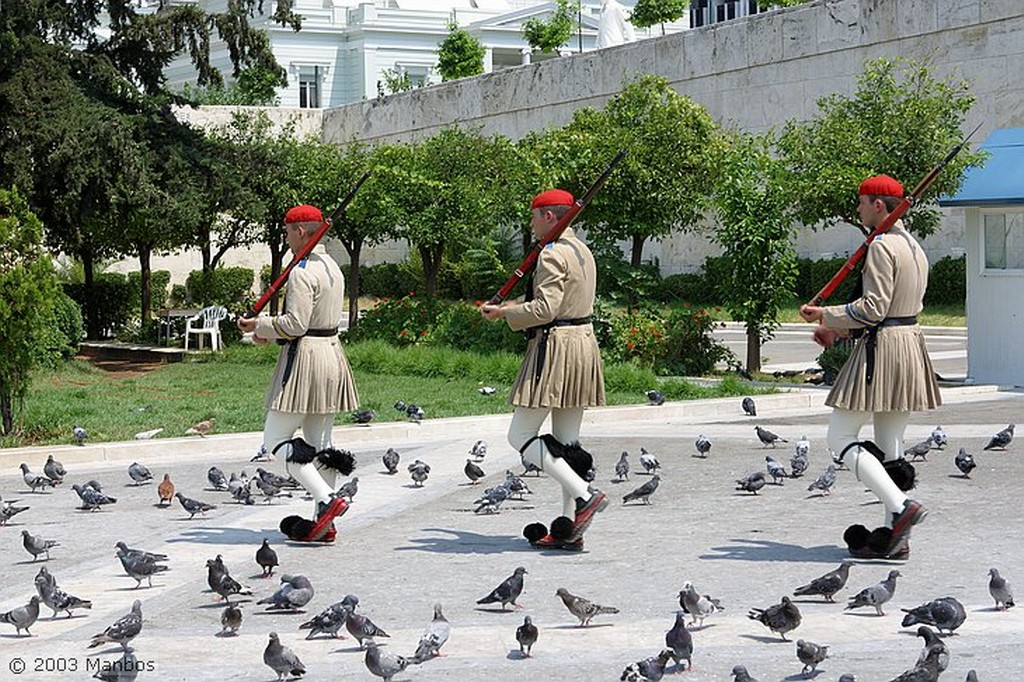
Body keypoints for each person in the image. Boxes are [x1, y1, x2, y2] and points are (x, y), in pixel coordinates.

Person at [799, 175, 941, 559]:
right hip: (909, 345)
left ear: (879, 206)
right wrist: (835, 329)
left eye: (861, 202)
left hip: (882, 351)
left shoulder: (880, 245)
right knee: (890, 450)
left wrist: (824, 315)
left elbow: (873, 310)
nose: (858, 209)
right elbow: (894, 310)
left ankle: (900, 508)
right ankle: (896, 542)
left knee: (840, 437)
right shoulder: (914, 246)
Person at [481, 189, 608, 551]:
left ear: (550, 217)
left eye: (534, 216)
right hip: (582, 343)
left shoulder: (551, 254)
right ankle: (570, 530)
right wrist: (509, 305)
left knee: (520, 436)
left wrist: (504, 313)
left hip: (554, 349)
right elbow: (556, 301)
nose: (531, 223)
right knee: (567, 446)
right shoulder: (582, 250)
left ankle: (584, 497)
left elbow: (545, 310)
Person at [237, 204, 359, 543]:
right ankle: (325, 521)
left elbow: (295, 325)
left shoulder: (301, 271)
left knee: (275, 441)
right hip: (332, 354)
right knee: (321, 446)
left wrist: (256, 324)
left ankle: (327, 500)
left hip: (305, 359)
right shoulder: (333, 266)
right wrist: (267, 332)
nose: (286, 236)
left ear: (301, 231)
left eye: (288, 231)